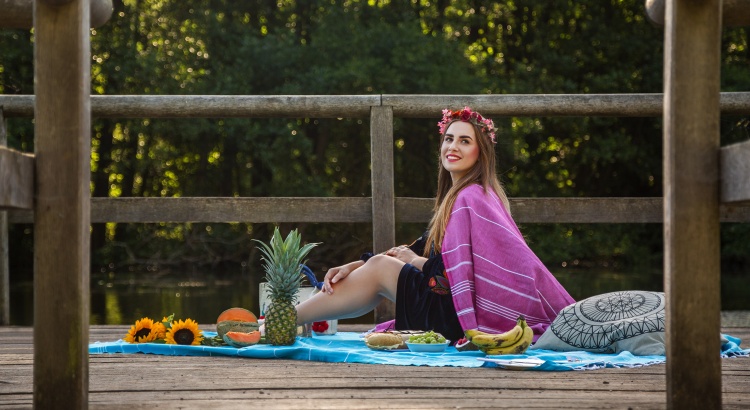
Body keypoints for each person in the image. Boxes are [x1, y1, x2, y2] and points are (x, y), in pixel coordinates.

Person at [295, 107, 575, 343]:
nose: (453, 147)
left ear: (481, 152)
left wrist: (412, 260)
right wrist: (355, 266)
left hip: (456, 316)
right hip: (449, 309)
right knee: (378, 266)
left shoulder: (471, 199)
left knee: (381, 269)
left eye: (465, 141)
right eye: (449, 139)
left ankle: (282, 321)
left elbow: (448, 275)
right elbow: (416, 249)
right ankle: (284, 321)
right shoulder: (464, 197)